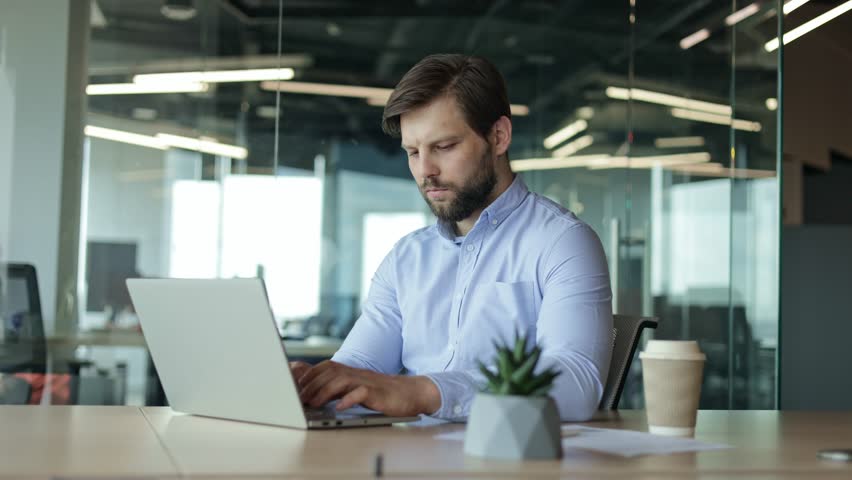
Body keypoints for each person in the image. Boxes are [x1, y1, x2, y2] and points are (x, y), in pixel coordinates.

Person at [292, 54, 613, 421]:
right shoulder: (406, 258)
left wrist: (426, 392)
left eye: (443, 147)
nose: (425, 171)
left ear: (498, 136)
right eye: (413, 152)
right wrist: (312, 388)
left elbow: (575, 382)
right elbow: (360, 366)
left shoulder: (563, 242)